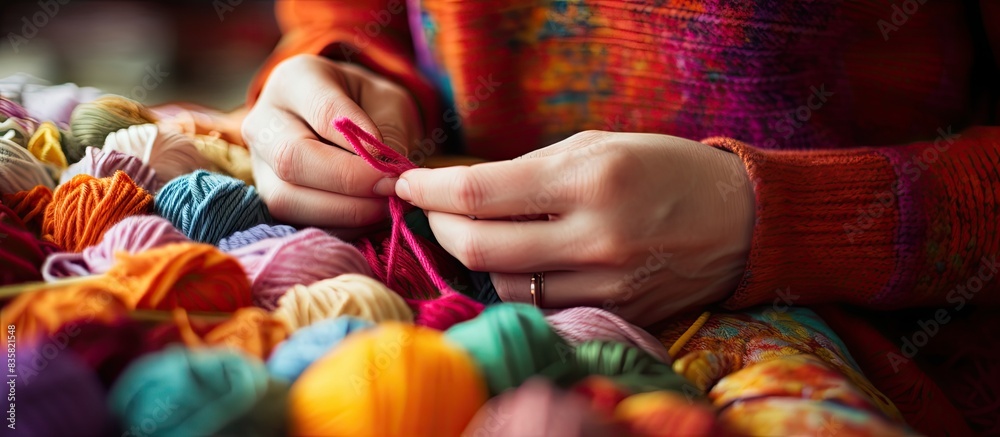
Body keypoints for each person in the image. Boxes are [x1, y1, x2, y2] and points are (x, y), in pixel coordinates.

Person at [241, 0, 1000, 433]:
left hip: (896, 362)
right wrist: (340, 72)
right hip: (439, 286)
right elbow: (346, 22)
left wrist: (772, 217)